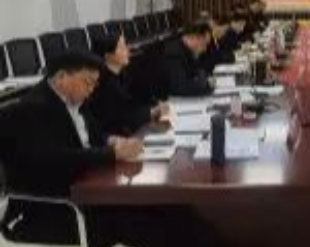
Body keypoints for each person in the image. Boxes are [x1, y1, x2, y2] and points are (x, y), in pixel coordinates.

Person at [0, 52, 143, 245]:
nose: (91, 90)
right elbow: (54, 160)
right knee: (143, 220)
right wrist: (112, 153)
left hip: (86, 191)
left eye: (94, 84)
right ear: (61, 77)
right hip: (57, 209)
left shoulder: (74, 100)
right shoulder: (33, 109)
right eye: (87, 82)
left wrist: (111, 140)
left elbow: (91, 134)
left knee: (152, 212)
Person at [87, 33, 170, 137]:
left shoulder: (122, 73)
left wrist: (155, 105)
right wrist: (152, 111)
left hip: (132, 130)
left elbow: (137, 99)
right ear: (108, 56)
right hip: (118, 137)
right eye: (122, 48)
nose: (128, 50)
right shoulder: (104, 84)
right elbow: (123, 119)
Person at [160, 22, 214, 97]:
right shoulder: (174, 53)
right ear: (194, 38)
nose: (205, 49)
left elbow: (200, 72)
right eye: (204, 44)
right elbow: (181, 88)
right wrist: (205, 83)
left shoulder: (187, 50)